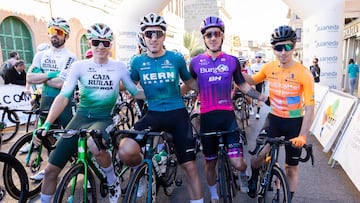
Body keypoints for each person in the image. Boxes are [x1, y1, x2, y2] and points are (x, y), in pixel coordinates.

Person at [36, 23, 144, 203]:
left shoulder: (118, 67)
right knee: (50, 171)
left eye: (105, 42)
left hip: (103, 118)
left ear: (111, 44)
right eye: (96, 42)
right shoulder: (79, 66)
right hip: (80, 117)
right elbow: (63, 96)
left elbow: (135, 92)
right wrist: (47, 123)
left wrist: (166, 92)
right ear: (89, 44)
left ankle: (111, 179)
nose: (100, 46)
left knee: (95, 145)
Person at [118, 12, 204, 203]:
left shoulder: (176, 58)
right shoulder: (137, 61)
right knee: (125, 150)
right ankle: (144, 173)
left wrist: (214, 92)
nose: (154, 38)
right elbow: (128, 84)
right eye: (149, 34)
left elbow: (190, 82)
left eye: (158, 33)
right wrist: (106, 84)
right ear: (143, 36)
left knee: (190, 167)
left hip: (177, 115)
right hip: (153, 115)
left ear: (164, 35)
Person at [186, 16, 269, 202]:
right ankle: (214, 194)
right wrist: (171, 95)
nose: (213, 37)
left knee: (239, 163)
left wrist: (263, 97)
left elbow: (243, 85)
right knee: (210, 164)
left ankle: (241, 175)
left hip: (228, 118)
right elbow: (188, 84)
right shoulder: (196, 62)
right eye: (209, 35)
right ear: (204, 38)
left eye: (217, 34)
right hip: (207, 119)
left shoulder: (232, 61)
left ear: (222, 36)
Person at [243, 25, 315, 200]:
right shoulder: (269, 67)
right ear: (273, 49)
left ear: (294, 46)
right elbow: (252, 80)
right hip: (274, 120)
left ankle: (288, 198)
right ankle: (254, 178)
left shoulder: (304, 73)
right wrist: (235, 70)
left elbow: (310, 107)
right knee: (257, 157)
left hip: (295, 123)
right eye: (278, 47)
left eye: (288, 47)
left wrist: (303, 136)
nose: (283, 52)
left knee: (291, 167)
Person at [23, 17, 77, 180]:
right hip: (45, 99)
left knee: (69, 138)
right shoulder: (41, 55)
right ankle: (48, 168)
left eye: (59, 32)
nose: (55, 35)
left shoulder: (70, 57)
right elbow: (30, 77)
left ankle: (77, 170)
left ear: (66, 36)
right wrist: (50, 75)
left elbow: (61, 83)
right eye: (52, 31)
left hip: (64, 102)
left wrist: (42, 77)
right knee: (47, 137)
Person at [250, 52, 265, 119]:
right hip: (253, 82)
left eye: (259, 57)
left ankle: (258, 113)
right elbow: (250, 74)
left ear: (261, 58)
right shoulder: (252, 65)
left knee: (259, 98)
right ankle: (251, 106)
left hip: (260, 82)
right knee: (250, 94)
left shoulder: (263, 65)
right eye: (256, 57)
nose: (258, 58)